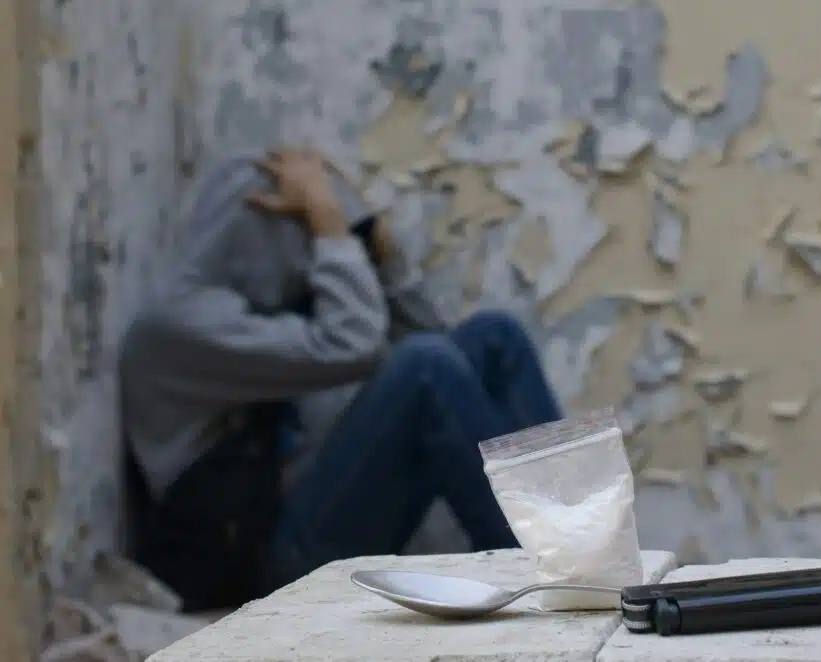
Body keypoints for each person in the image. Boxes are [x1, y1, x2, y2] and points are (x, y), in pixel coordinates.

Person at [120, 148, 562, 611]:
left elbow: (444, 355)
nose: (310, 254)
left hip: (295, 514)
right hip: (263, 559)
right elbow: (360, 344)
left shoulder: (262, 310)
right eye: (303, 231)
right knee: (423, 366)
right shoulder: (181, 324)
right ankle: (544, 577)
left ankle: (573, 545)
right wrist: (331, 225)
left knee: (494, 338)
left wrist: (380, 252)